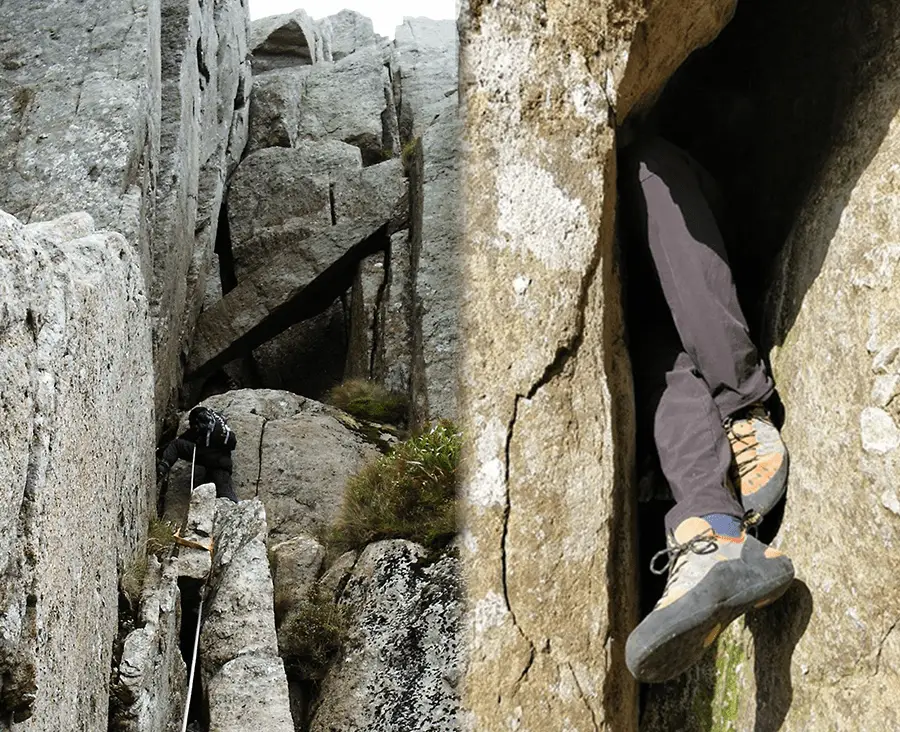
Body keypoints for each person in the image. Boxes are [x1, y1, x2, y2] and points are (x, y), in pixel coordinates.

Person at [618, 134, 794, 683]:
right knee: (655, 353)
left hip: (709, 227)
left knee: (650, 171)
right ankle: (711, 538)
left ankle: (742, 406)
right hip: (654, 309)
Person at [157, 405, 239, 502]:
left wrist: (161, 450)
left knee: (176, 445)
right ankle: (236, 508)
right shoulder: (217, 418)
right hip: (223, 461)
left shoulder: (201, 422)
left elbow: (191, 434)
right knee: (222, 488)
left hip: (207, 454)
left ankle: (161, 469)